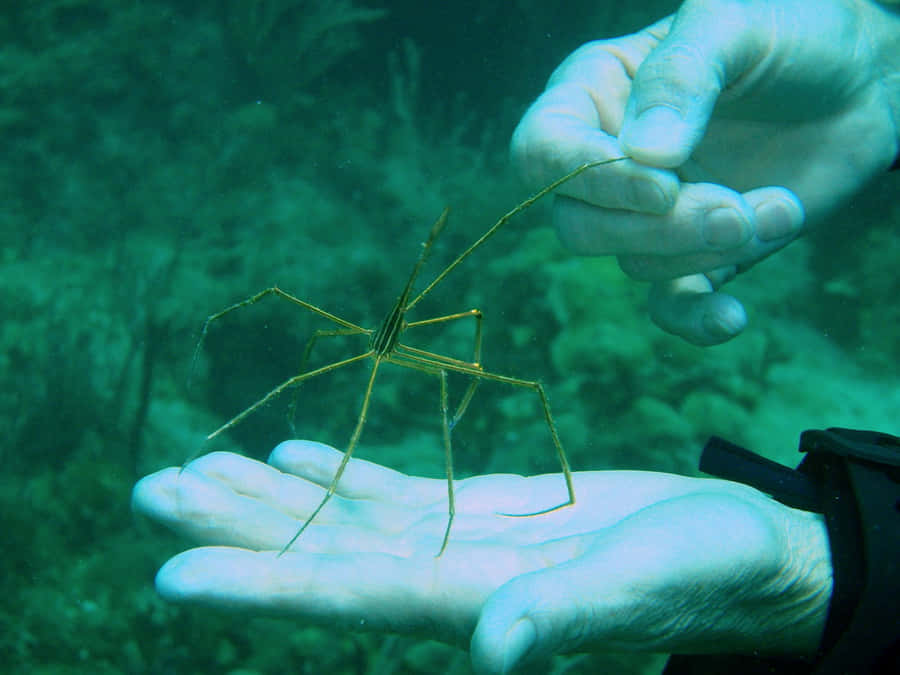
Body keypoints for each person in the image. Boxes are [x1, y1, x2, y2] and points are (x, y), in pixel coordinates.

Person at [133, 0, 900, 673]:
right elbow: (283, 306)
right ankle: (222, 439)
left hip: (416, 329)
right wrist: (880, 65)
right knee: (314, 348)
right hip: (380, 334)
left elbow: (468, 320)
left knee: (507, 377)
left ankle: (530, 471)